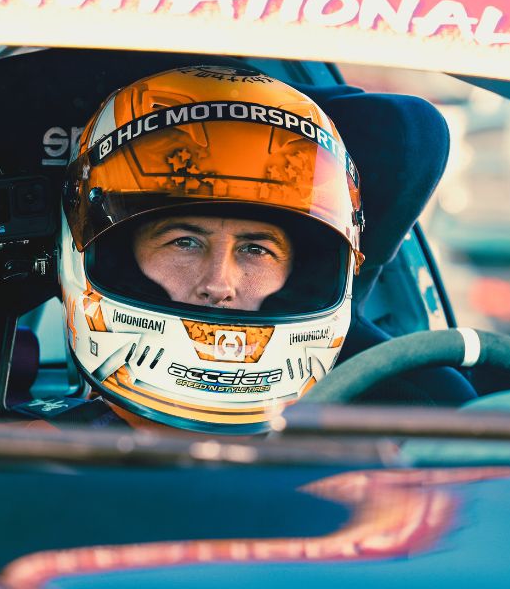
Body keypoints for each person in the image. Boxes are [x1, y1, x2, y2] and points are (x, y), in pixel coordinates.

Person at [57, 64, 364, 434]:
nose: (218, 285)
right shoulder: (29, 457)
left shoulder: (364, 456)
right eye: (184, 242)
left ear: (302, 271)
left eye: (256, 249)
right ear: (117, 257)